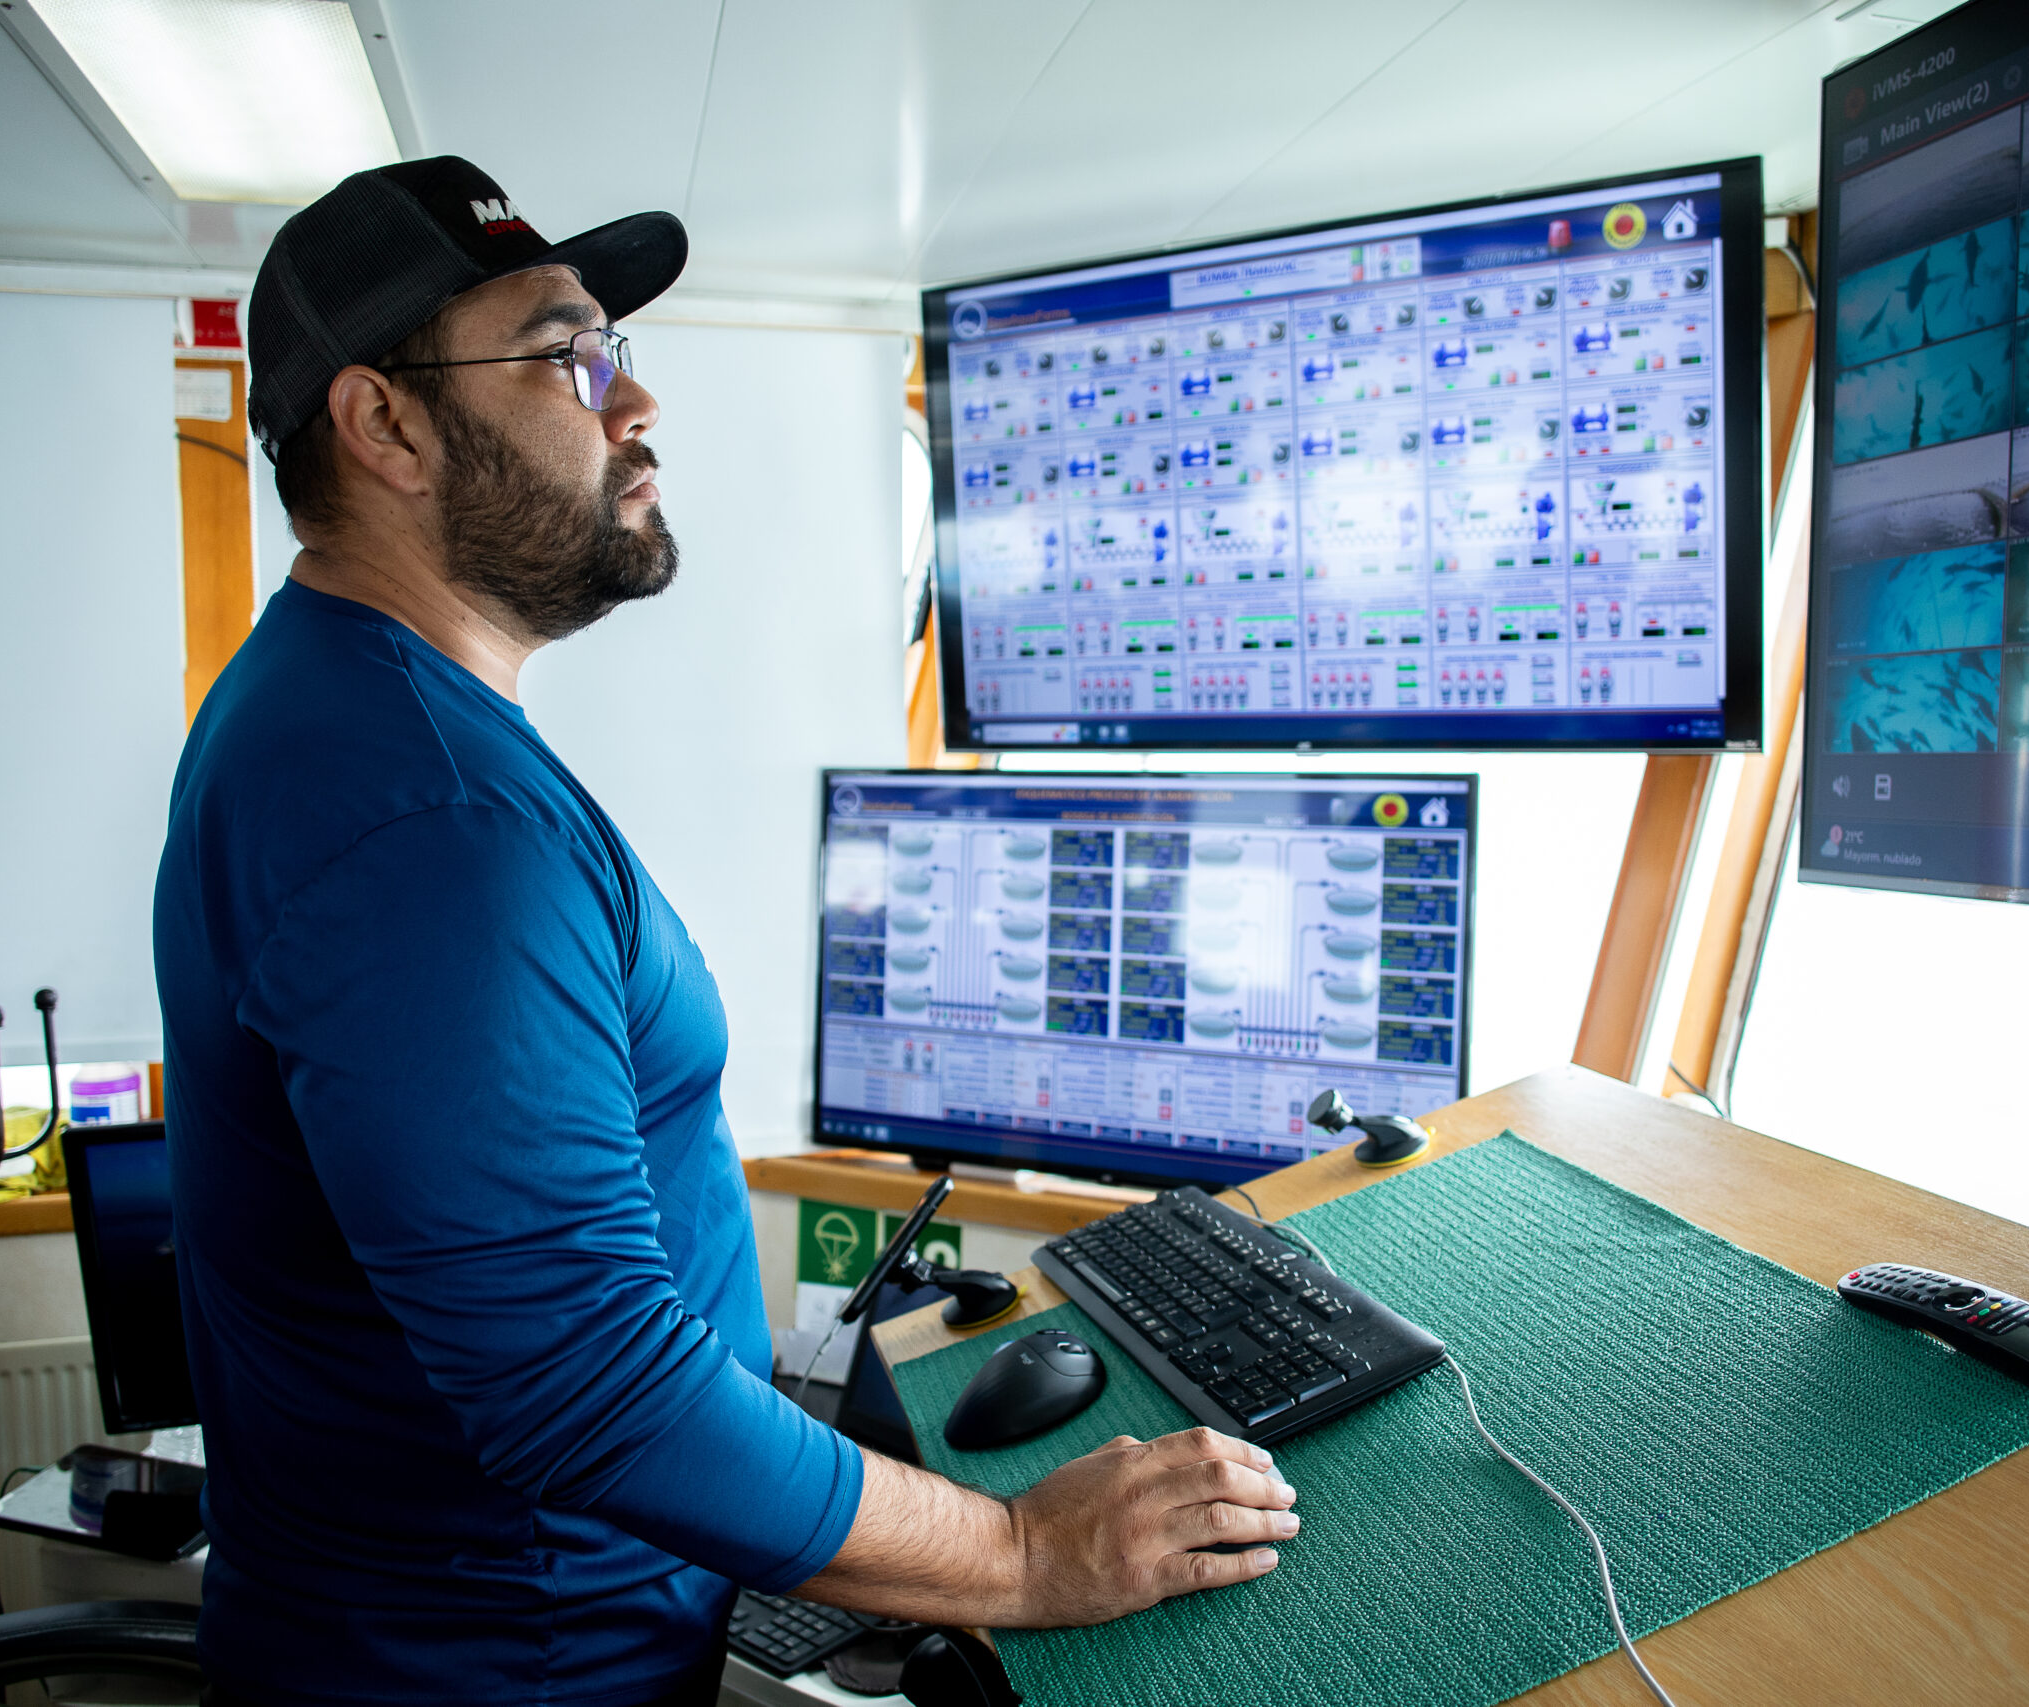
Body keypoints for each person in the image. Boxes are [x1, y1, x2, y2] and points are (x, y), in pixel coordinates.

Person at [152, 158, 1298, 1707]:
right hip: (511, 1664)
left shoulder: (322, 706)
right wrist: (1022, 1554)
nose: (636, 404)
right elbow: (587, 1389)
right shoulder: (431, 823)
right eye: (571, 354)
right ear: (387, 425)